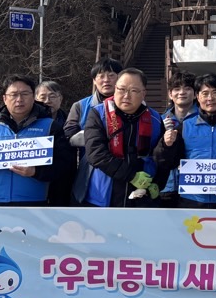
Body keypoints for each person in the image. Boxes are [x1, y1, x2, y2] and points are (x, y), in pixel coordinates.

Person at [154, 73, 216, 209]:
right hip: (192, 201)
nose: (210, 98)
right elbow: (166, 162)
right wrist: (166, 145)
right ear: (197, 96)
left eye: (215, 93)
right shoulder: (185, 127)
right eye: (205, 93)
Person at [83, 68, 168, 207]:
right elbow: (95, 153)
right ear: (115, 89)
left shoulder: (155, 119)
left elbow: (161, 157)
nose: (126, 96)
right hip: (105, 195)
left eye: (133, 91)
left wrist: (158, 183)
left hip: (143, 195)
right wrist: (131, 176)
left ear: (143, 94)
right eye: (121, 89)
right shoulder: (98, 114)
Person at [0, 75, 68, 207]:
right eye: (14, 94)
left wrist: (36, 172)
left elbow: (64, 164)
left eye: (24, 94)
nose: (19, 99)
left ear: (33, 96)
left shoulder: (50, 126)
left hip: (35, 202)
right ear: (5, 99)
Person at [64, 58, 121, 205]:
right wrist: (99, 138)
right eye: (101, 76)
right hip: (90, 173)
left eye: (111, 75)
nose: (106, 80)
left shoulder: (131, 105)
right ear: (94, 80)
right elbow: (68, 136)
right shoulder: (80, 106)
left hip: (122, 170)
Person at [158, 70, 199, 207]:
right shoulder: (160, 120)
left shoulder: (204, 120)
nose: (182, 92)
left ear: (195, 94)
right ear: (170, 94)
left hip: (195, 187)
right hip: (166, 187)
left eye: (187, 88)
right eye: (176, 89)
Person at [35, 80, 72, 205]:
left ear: (60, 98)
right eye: (43, 97)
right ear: (35, 99)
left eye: (52, 96)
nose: (47, 100)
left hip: (63, 175)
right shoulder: (31, 121)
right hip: (36, 175)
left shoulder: (70, 121)